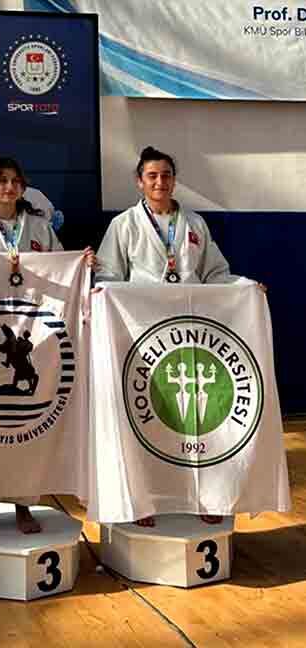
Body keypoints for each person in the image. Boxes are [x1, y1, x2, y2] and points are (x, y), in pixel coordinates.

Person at [96, 145, 251, 527]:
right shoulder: (124, 225)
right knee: (147, 417)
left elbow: (215, 273)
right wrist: (104, 293)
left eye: (166, 175)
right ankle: (144, 500)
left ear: (174, 180)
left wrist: (245, 288)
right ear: (139, 181)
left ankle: (205, 497)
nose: (160, 182)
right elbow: (108, 275)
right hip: (144, 337)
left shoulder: (195, 224)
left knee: (196, 421)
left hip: (191, 334)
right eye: (152, 176)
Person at [0, 156, 95, 537]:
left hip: (33, 330)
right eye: (1, 181)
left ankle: (24, 504)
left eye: (15, 181)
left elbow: (59, 267)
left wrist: (80, 264)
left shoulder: (39, 228)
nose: (9, 187)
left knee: (28, 426)